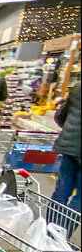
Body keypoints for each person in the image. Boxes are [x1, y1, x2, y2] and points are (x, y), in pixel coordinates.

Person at [52, 82, 81, 215]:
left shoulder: (78, 87)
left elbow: (61, 115)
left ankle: (51, 229)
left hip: (70, 144)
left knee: (63, 186)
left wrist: (69, 129)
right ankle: (64, 231)